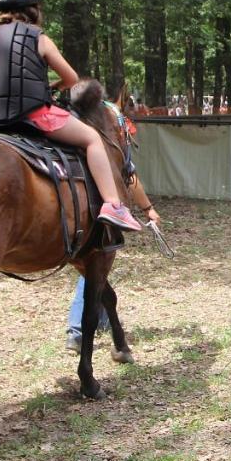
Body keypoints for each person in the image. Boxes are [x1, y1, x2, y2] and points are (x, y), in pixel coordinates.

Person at [0, 0, 141, 231]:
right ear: (33, 9)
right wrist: (53, 87)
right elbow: (71, 78)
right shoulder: (37, 37)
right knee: (92, 139)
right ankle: (112, 205)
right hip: (30, 114)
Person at [65, 133, 161, 352]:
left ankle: (102, 321)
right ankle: (77, 329)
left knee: (94, 272)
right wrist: (147, 208)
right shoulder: (112, 119)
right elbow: (130, 174)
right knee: (92, 140)